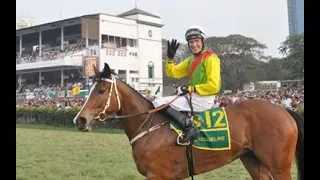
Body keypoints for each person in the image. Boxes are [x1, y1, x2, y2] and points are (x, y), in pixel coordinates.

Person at [152, 25, 222, 143]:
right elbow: (172, 72)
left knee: (158, 102)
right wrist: (169, 59)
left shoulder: (211, 57)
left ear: (202, 41)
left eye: (196, 41)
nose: (194, 45)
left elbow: (214, 86)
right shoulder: (191, 60)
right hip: (193, 97)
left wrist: (191, 88)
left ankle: (189, 128)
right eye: (191, 42)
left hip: (203, 99)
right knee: (161, 101)